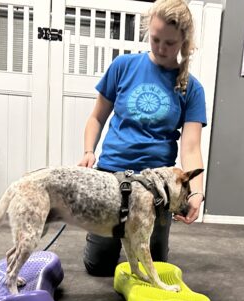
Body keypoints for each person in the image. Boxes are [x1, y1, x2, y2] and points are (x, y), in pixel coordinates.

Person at [77, 0, 206, 276]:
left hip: (157, 186)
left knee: (154, 268)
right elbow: (96, 117)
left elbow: (191, 147)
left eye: (169, 43)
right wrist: (88, 151)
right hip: (113, 177)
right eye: (155, 39)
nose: (160, 48)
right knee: (98, 266)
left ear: (184, 42)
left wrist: (196, 192)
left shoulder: (192, 88)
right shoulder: (123, 66)